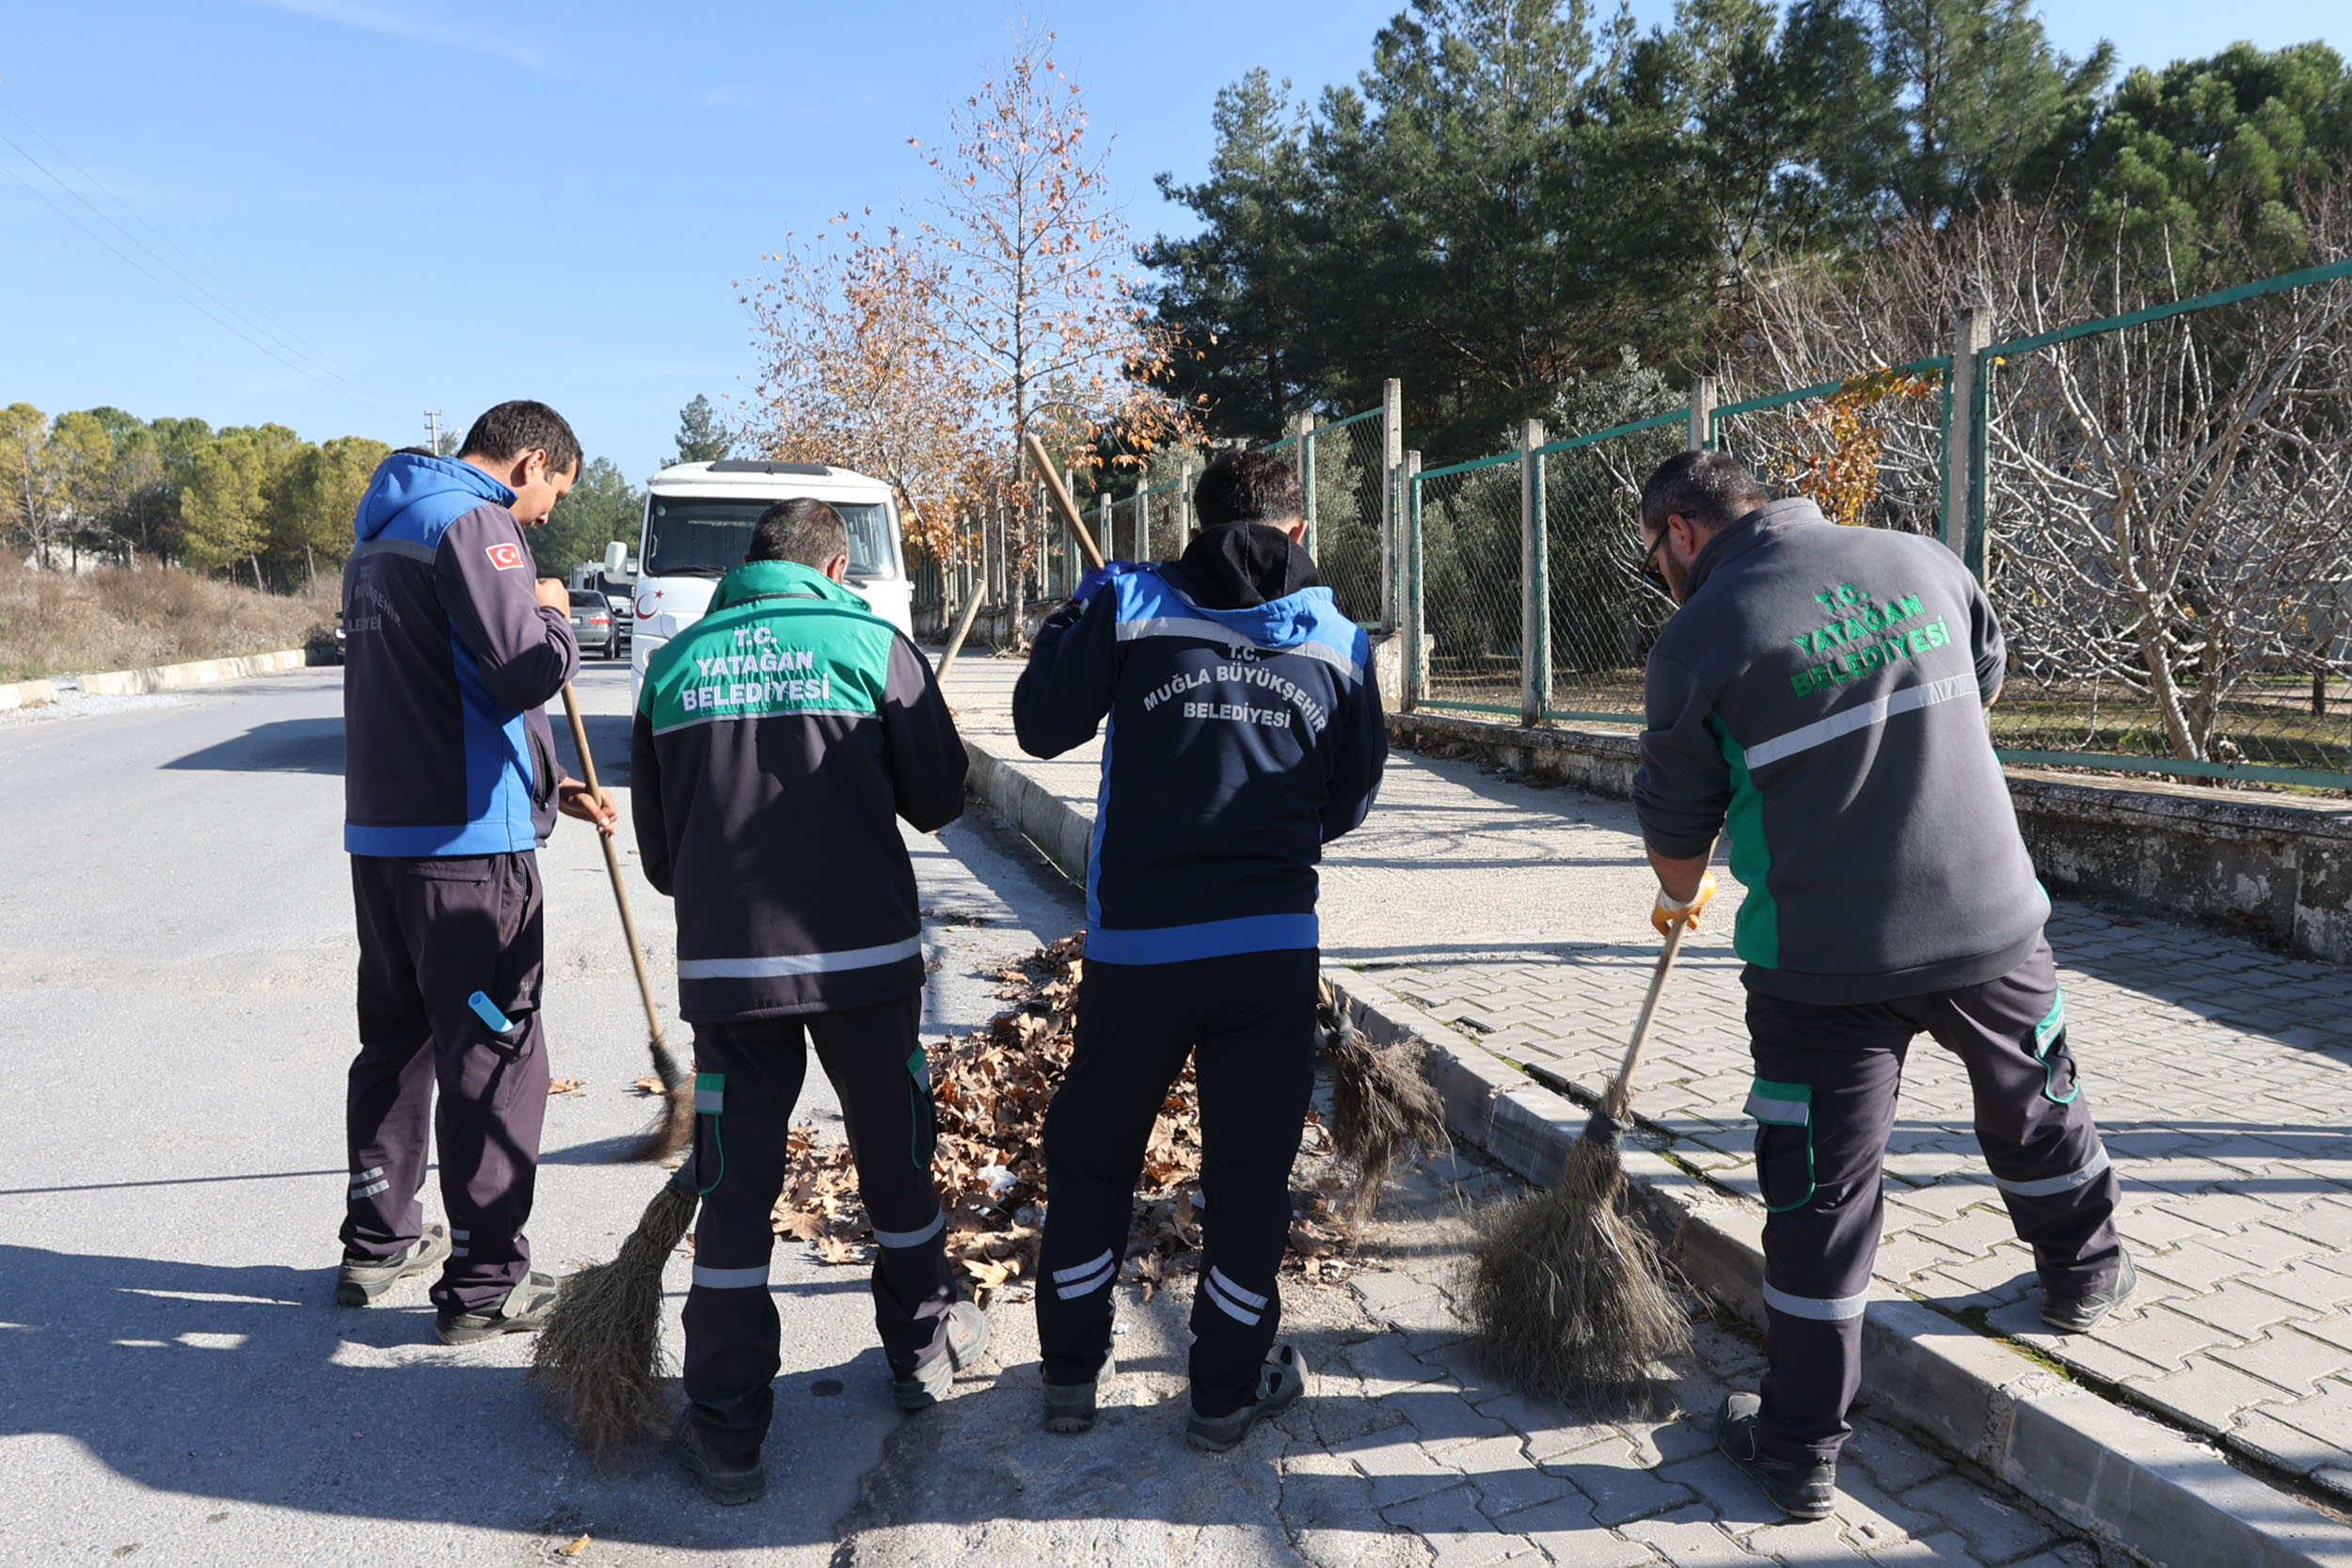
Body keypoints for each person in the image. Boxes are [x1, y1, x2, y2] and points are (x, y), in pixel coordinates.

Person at [1628, 451, 2131, 1520]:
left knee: (1819, 1192)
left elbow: (1676, 827)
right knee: (2036, 1098)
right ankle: (2084, 1275)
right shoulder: (1919, 555)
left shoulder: (1700, 633)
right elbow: (1980, 682)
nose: (1660, 575)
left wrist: (1680, 895)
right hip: (1988, 919)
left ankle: (1801, 1447)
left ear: (1679, 531)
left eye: (1652, 555)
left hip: (1821, 963)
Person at [1013, 450, 1388, 1452]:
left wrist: (1075, 613)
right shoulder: (1343, 641)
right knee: (1249, 1174)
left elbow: (1039, 721)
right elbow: (1345, 802)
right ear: (1297, 530)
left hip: (1141, 950)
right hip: (1269, 950)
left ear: (1192, 520)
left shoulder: (1132, 606)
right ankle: (1223, 1390)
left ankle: (1067, 1375)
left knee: (1093, 1157)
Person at [629, 498, 980, 1506]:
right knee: (894, 1154)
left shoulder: (674, 664)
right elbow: (942, 798)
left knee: (735, 1186)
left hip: (730, 979)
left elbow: (662, 861)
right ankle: (920, 1353)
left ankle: (728, 1427)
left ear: (748, 566)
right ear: (832, 562)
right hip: (864, 968)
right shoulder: (874, 644)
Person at [335, 401, 617, 1345]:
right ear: (529, 460)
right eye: (552, 493)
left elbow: (446, 685)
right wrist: (558, 616)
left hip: (384, 841)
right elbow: (520, 668)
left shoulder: (381, 531)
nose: (543, 516)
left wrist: (548, 781)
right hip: (465, 855)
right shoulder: (476, 518)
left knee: (398, 1042)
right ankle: (487, 1281)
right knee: (494, 1057)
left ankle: (379, 1239)